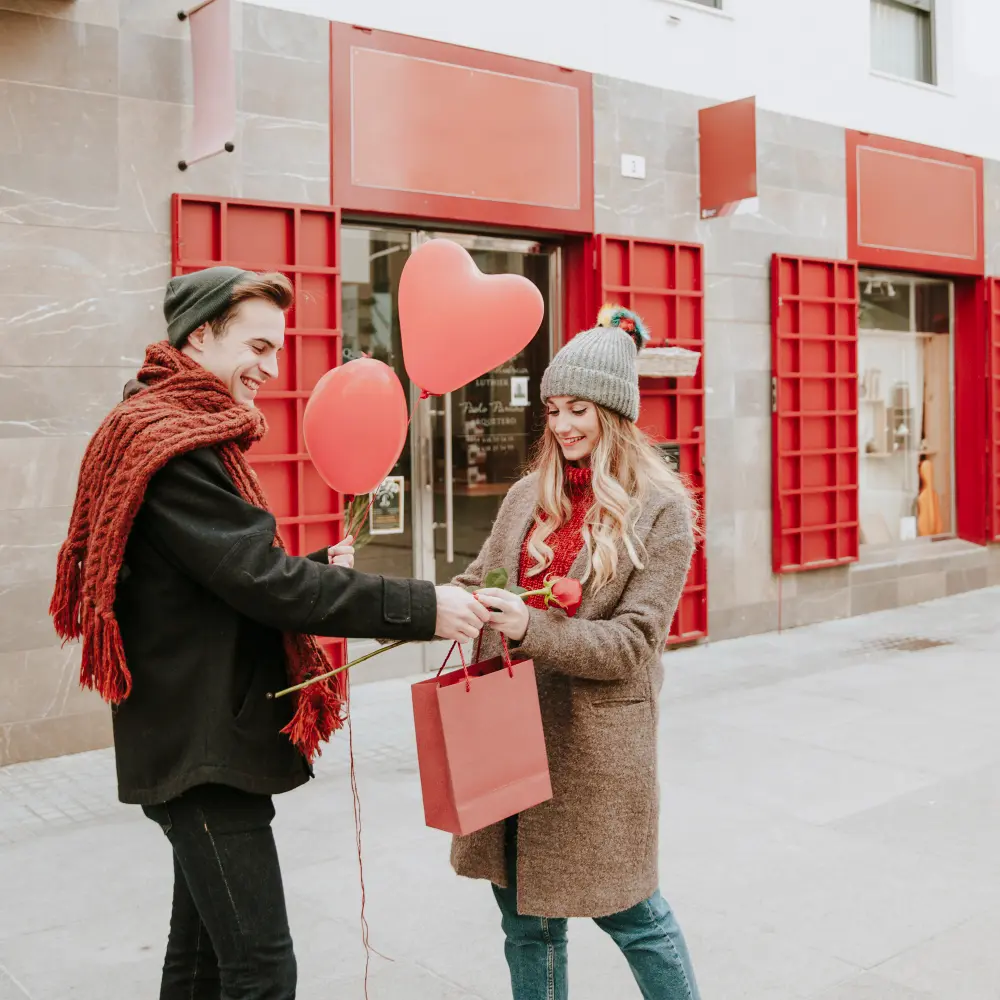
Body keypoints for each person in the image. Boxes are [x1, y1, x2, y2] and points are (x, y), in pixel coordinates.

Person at [49, 266, 489, 1000]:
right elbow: (261, 582)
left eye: (277, 350)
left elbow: (220, 577)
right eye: (257, 346)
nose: (271, 369)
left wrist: (310, 565)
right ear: (199, 334)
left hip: (195, 736)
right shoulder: (176, 448)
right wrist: (424, 606)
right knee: (261, 969)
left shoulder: (172, 431)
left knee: (200, 964)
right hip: (200, 748)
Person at [453, 305, 701, 1000]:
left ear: (614, 414)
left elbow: (632, 645)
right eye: (554, 409)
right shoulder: (527, 496)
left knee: (633, 914)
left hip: (594, 749)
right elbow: (478, 581)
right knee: (526, 926)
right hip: (509, 734)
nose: (562, 426)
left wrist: (530, 627)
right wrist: (428, 606)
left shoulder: (662, 509)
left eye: (579, 410)